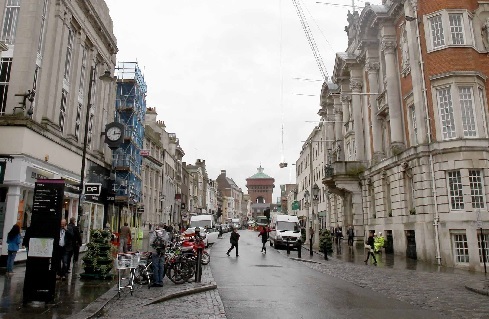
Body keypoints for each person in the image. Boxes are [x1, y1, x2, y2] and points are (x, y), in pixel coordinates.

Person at [149, 222, 169, 287]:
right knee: (161, 266)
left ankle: (156, 281)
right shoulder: (165, 233)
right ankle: (161, 281)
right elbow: (167, 243)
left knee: (155, 266)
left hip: (155, 251)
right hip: (162, 252)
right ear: (163, 226)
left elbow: (151, 242)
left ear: (158, 226)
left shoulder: (155, 232)